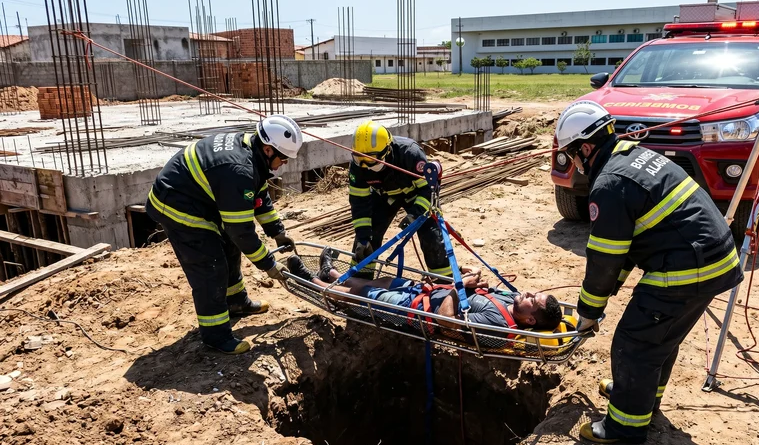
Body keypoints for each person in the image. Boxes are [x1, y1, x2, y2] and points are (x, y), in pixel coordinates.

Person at [555, 101, 744, 444]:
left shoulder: (610, 184)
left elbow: (605, 260)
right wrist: (605, 297)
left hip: (690, 266)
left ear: (585, 147)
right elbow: (625, 248)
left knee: (635, 342)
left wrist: (587, 314)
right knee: (659, 338)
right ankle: (638, 398)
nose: (576, 165)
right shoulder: (635, 157)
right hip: (711, 257)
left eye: (572, 155)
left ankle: (625, 426)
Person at [146, 115, 302, 355]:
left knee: (230, 246)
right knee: (210, 265)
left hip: (200, 198)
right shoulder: (239, 169)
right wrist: (269, 265)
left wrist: (277, 231)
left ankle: (236, 301)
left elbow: (259, 195)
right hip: (177, 204)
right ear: (269, 149)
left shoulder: (254, 154)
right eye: (283, 158)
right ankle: (216, 335)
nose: (284, 164)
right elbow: (241, 230)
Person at [286, 248, 563, 334]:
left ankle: (312, 282)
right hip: (427, 291)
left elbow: (448, 323)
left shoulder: (499, 322)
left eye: (531, 299)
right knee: (379, 282)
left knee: (364, 296)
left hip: (420, 310)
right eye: (532, 292)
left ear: (529, 320)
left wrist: (458, 288)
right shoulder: (509, 301)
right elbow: (478, 293)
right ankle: (332, 273)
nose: (525, 293)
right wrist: (471, 279)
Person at [347, 121, 451, 278]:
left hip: (415, 195)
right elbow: (359, 202)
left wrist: (415, 215)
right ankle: (360, 281)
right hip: (384, 196)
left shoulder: (410, 154)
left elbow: (428, 190)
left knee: (432, 236)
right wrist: (362, 236)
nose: (365, 166)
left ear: (387, 150)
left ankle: (443, 283)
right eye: (359, 159)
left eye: (371, 160)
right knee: (367, 239)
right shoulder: (358, 166)